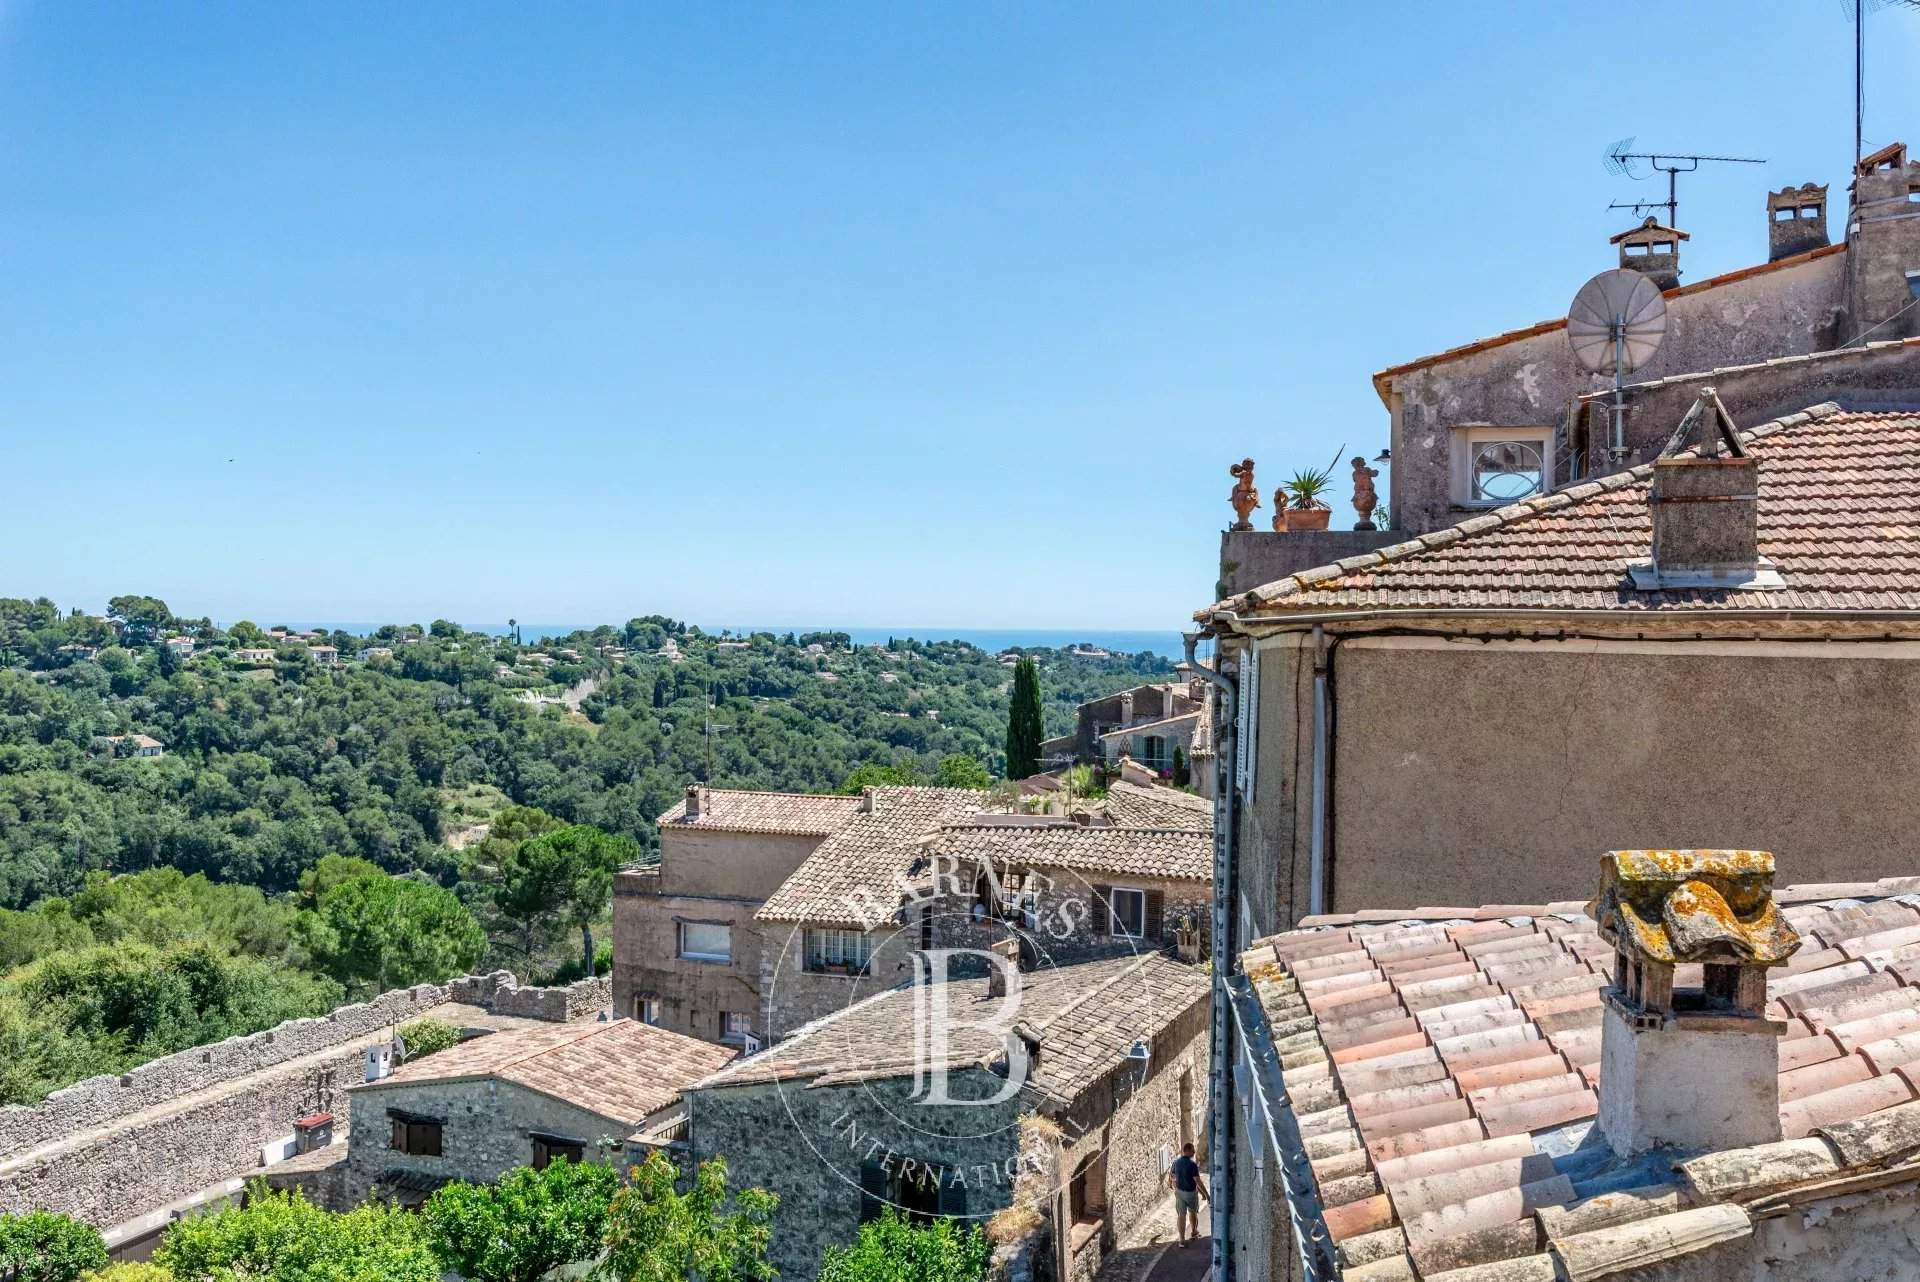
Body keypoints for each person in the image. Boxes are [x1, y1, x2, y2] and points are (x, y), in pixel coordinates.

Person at [1166, 1141, 1208, 1246]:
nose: (1194, 1152)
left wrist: (1171, 1184)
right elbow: (1197, 1181)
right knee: (1193, 1212)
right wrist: (1206, 1195)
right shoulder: (1192, 1165)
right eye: (1192, 1150)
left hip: (1179, 1192)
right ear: (1187, 1151)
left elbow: (1171, 1175)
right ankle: (1194, 1231)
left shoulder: (1176, 1162)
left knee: (1181, 1215)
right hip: (1191, 1193)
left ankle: (1181, 1240)